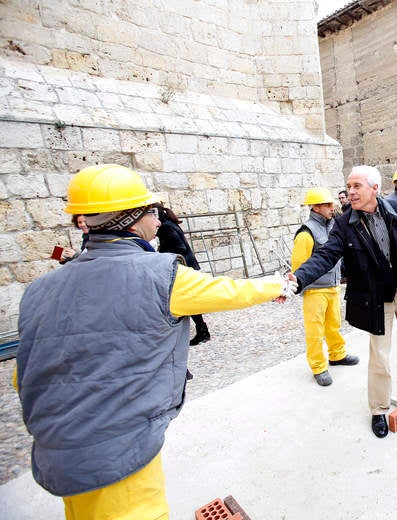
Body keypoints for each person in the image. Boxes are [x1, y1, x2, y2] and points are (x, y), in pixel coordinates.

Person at [15, 164, 296, 519]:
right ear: (131, 219)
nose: (158, 218)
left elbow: (23, 374)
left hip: (58, 451)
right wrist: (279, 285)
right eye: (150, 210)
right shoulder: (159, 275)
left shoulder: (38, 290)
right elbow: (228, 290)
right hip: (117, 452)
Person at [290, 165, 397, 439]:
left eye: (356, 186)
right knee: (380, 358)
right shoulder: (343, 224)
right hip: (378, 300)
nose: (349, 192)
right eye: (348, 187)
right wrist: (298, 279)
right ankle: (378, 410)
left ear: (374, 189)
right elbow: (326, 255)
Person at [291, 187, 359, 387]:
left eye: (332, 204)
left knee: (333, 326)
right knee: (315, 331)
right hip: (315, 291)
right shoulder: (306, 233)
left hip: (332, 287)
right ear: (315, 207)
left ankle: (337, 355)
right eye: (328, 205)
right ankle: (318, 366)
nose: (333, 207)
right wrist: (299, 290)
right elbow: (298, 266)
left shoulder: (332, 226)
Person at [155, 203, 211, 346]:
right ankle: (201, 330)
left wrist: (160, 254)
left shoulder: (166, 227)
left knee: (186, 299)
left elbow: (179, 247)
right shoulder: (169, 223)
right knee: (187, 299)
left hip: (182, 266)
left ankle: (201, 331)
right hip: (185, 264)